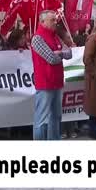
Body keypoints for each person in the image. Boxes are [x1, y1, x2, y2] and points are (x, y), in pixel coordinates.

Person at [30, 10, 72, 140]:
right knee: (42, 119)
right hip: (45, 83)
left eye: (55, 19)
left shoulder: (55, 36)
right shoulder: (37, 38)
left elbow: (69, 53)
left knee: (56, 117)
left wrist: (58, 53)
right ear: (43, 22)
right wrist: (59, 54)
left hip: (57, 82)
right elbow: (51, 58)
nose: (55, 22)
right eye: (52, 20)